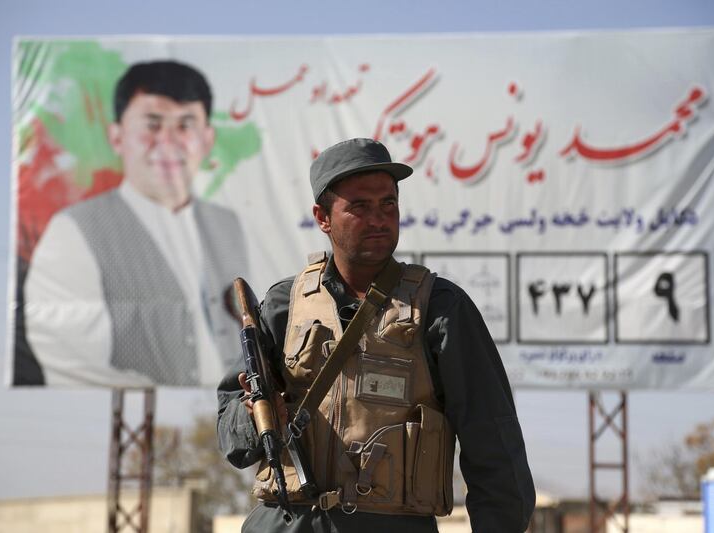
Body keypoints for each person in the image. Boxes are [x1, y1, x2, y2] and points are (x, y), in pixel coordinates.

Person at [218, 138, 535, 532]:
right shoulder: (285, 305)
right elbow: (231, 435)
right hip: (286, 522)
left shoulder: (440, 308)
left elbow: (494, 445)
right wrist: (257, 417)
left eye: (388, 204)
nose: (379, 218)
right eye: (359, 207)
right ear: (323, 217)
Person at [23, 60, 248, 386]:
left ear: (207, 139)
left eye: (185, 126)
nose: (168, 142)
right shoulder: (75, 229)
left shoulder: (228, 226)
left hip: (235, 417)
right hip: (149, 416)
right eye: (152, 125)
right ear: (117, 136)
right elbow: (64, 353)